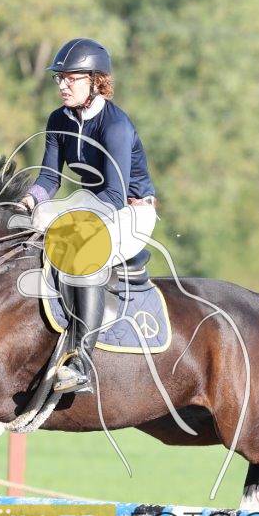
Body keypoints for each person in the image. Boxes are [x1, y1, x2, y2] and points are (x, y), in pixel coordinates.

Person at [20, 38, 158, 394]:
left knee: (84, 255)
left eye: (71, 78)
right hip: (92, 203)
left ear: (96, 81)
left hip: (130, 211)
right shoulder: (59, 120)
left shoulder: (115, 125)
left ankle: (80, 364)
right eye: (60, 78)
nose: (62, 85)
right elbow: (49, 178)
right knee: (30, 231)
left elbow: (114, 195)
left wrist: (65, 219)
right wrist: (29, 202)